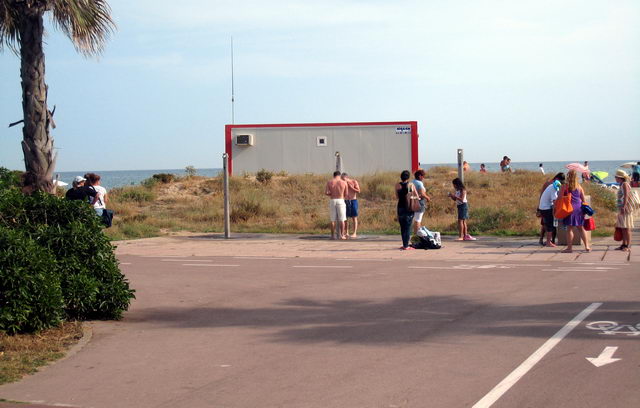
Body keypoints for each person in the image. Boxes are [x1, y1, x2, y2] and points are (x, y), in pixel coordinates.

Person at [560, 170, 590, 253]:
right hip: (579, 208)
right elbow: (583, 199)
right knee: (581, 228)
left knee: (569, 229)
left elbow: (560, 197)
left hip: (569, 209)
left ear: (568, 176)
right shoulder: (579, 186)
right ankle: (587, 246)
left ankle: (570, 248)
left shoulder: (565, 186)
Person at [538, 173, 565, 247]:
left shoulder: (551, 185)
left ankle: (548, 241)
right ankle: (548, 243)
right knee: (549, 225)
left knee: (548, 225)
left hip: (543, 207)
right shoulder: (553, 188)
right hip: (546, 208)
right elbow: (554, 201)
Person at [614, 170, 633, 251]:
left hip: (625, 209)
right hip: (621, 208)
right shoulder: (622, 184)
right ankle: (623, 244)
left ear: (620, 177)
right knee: (622, 227)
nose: (615, 178)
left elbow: (626, 196)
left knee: (626, 227)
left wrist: (623, 207)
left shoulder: (625, 184)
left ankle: (627, 245)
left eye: (616, 177)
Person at [325, 171, 348, 240]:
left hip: (333, 200)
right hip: (340, 200)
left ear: (334, 175)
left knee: (333, 219)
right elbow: (346, 194)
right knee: (342, 219)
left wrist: (331, 194)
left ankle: (332, 236)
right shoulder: (344, 182)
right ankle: (342, 235)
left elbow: (326, 192)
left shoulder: (329, 182)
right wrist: (341, 196)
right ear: (339, 175)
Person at [395, 170, 414, 250]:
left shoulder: (397, 185)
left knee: (402, 227)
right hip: (407, 207)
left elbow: (397, 196)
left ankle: (404, 244)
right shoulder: (410, 185)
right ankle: (406, 245)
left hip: (400, 206)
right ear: (408, 177)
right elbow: (410, 196)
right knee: (408, 226)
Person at [412, 169, 431, 235]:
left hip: (413, 202)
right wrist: (427, 197)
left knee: (415, 220)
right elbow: (422, 194)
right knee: (418, 220)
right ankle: (417, 235)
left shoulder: (411, 182)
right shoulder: (419, 183)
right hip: (420, 203)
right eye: (423, 176)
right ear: (420, 176)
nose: (423, 177)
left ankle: (415, 234)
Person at [341, 172, 360, 238]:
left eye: (343, 179)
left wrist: (351, 187)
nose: (343, 181)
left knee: (354, 217)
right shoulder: (342, 183)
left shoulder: (354, 181)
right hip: (345, 201)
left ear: (347, 178)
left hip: (353, 200)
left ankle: (354, 233)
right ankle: (347, 232)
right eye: (342, 179)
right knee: (345, 217)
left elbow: (358, 191)